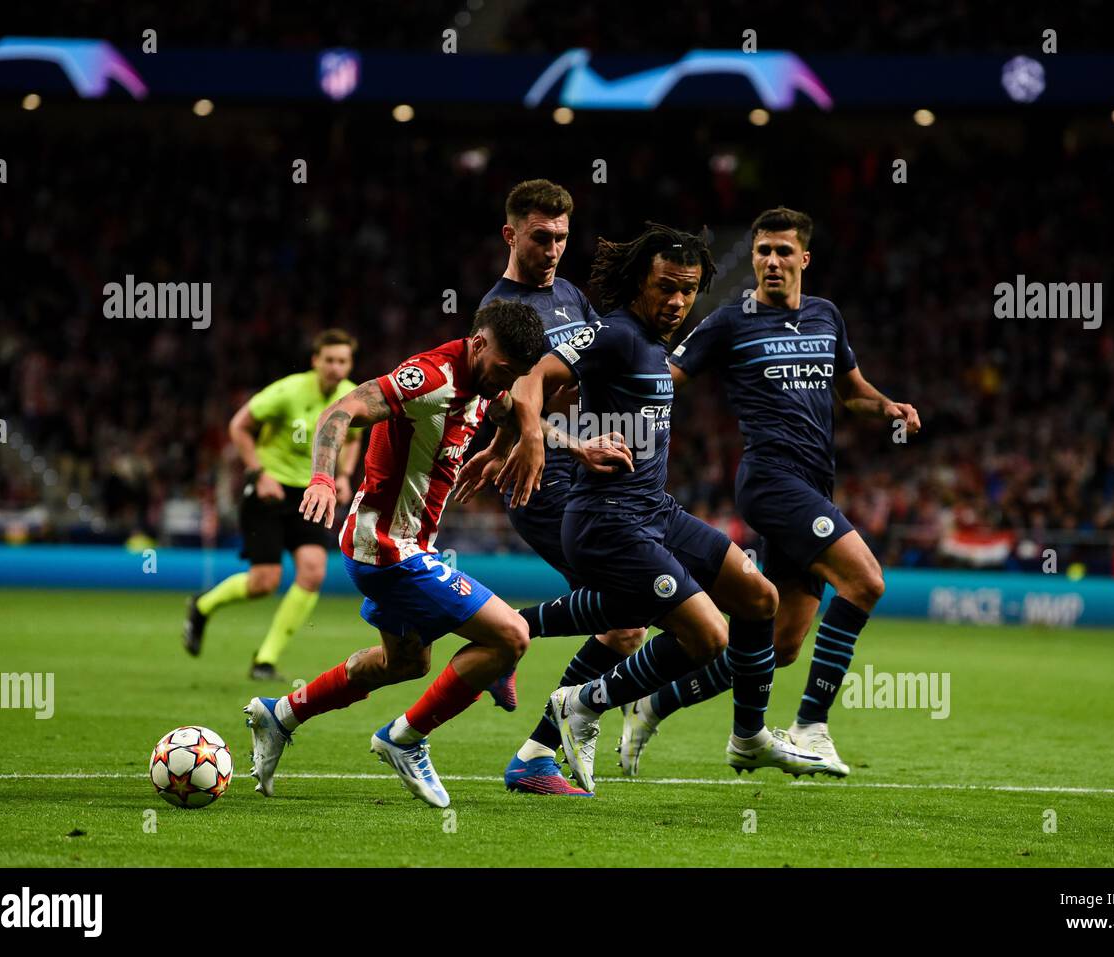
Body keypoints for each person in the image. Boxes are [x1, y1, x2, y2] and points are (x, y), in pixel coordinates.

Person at [241, 300, 632, 808]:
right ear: (479, 344)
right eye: (503, 370)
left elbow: (513, 411)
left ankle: (282, 714)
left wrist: (558, 448)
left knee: (404, 663)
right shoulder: (429, 379)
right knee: (510, 636)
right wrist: (321, 475)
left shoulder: (488, 380)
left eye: (516, 374)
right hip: (386, 549)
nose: (505, 382)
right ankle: (405, 738)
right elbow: (341, 411)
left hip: (400, 547)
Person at [483, 223, 829, 794]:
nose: (676, 302)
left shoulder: (653, 345)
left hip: (656, 512)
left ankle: (748, 736)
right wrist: (554, 440)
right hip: (607, 520)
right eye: (665, 288)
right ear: (638, 284)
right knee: (707, 637)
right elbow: (528, 381)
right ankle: (580, 703)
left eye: (687, 290)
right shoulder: (615, 335)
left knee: (759, 598)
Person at [618, 207, 921, 778]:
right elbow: (667, 378)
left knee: (777, 647)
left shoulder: (827, 316)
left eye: (784, 251)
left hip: (813, 483)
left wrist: (887, 407)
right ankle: (811, 726)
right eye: (763, 251)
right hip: (770, 481)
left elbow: (851, 391)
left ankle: (653, 703)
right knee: (865, 581)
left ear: (804, 258)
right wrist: (605, 399)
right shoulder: (731, 322)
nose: (772, 262)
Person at [463, 178, 644, 795]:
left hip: (585, 474)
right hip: (539, 482)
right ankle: (532, 736)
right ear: (511, 234)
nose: (554, 249)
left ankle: (510, 646)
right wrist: (572, 441)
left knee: (628, 619)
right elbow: (514, 400)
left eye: (563, 237)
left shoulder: (569, 293)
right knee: (627, 618)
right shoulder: (499, 311)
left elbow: (587, 373)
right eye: (541, 237)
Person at [182, 329, 361, 680]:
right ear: (315, 360)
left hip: (312, 492)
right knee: (265, 581)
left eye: (343, 361)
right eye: (329, 360)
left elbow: (354, 437)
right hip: (271, 489)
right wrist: (258, 473)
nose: (336, 368)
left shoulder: (350, 396)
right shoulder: (287, 391)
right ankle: (202, 606)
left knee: (312, 572)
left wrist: (344, 475)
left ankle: (264, 660)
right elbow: (239, 426)